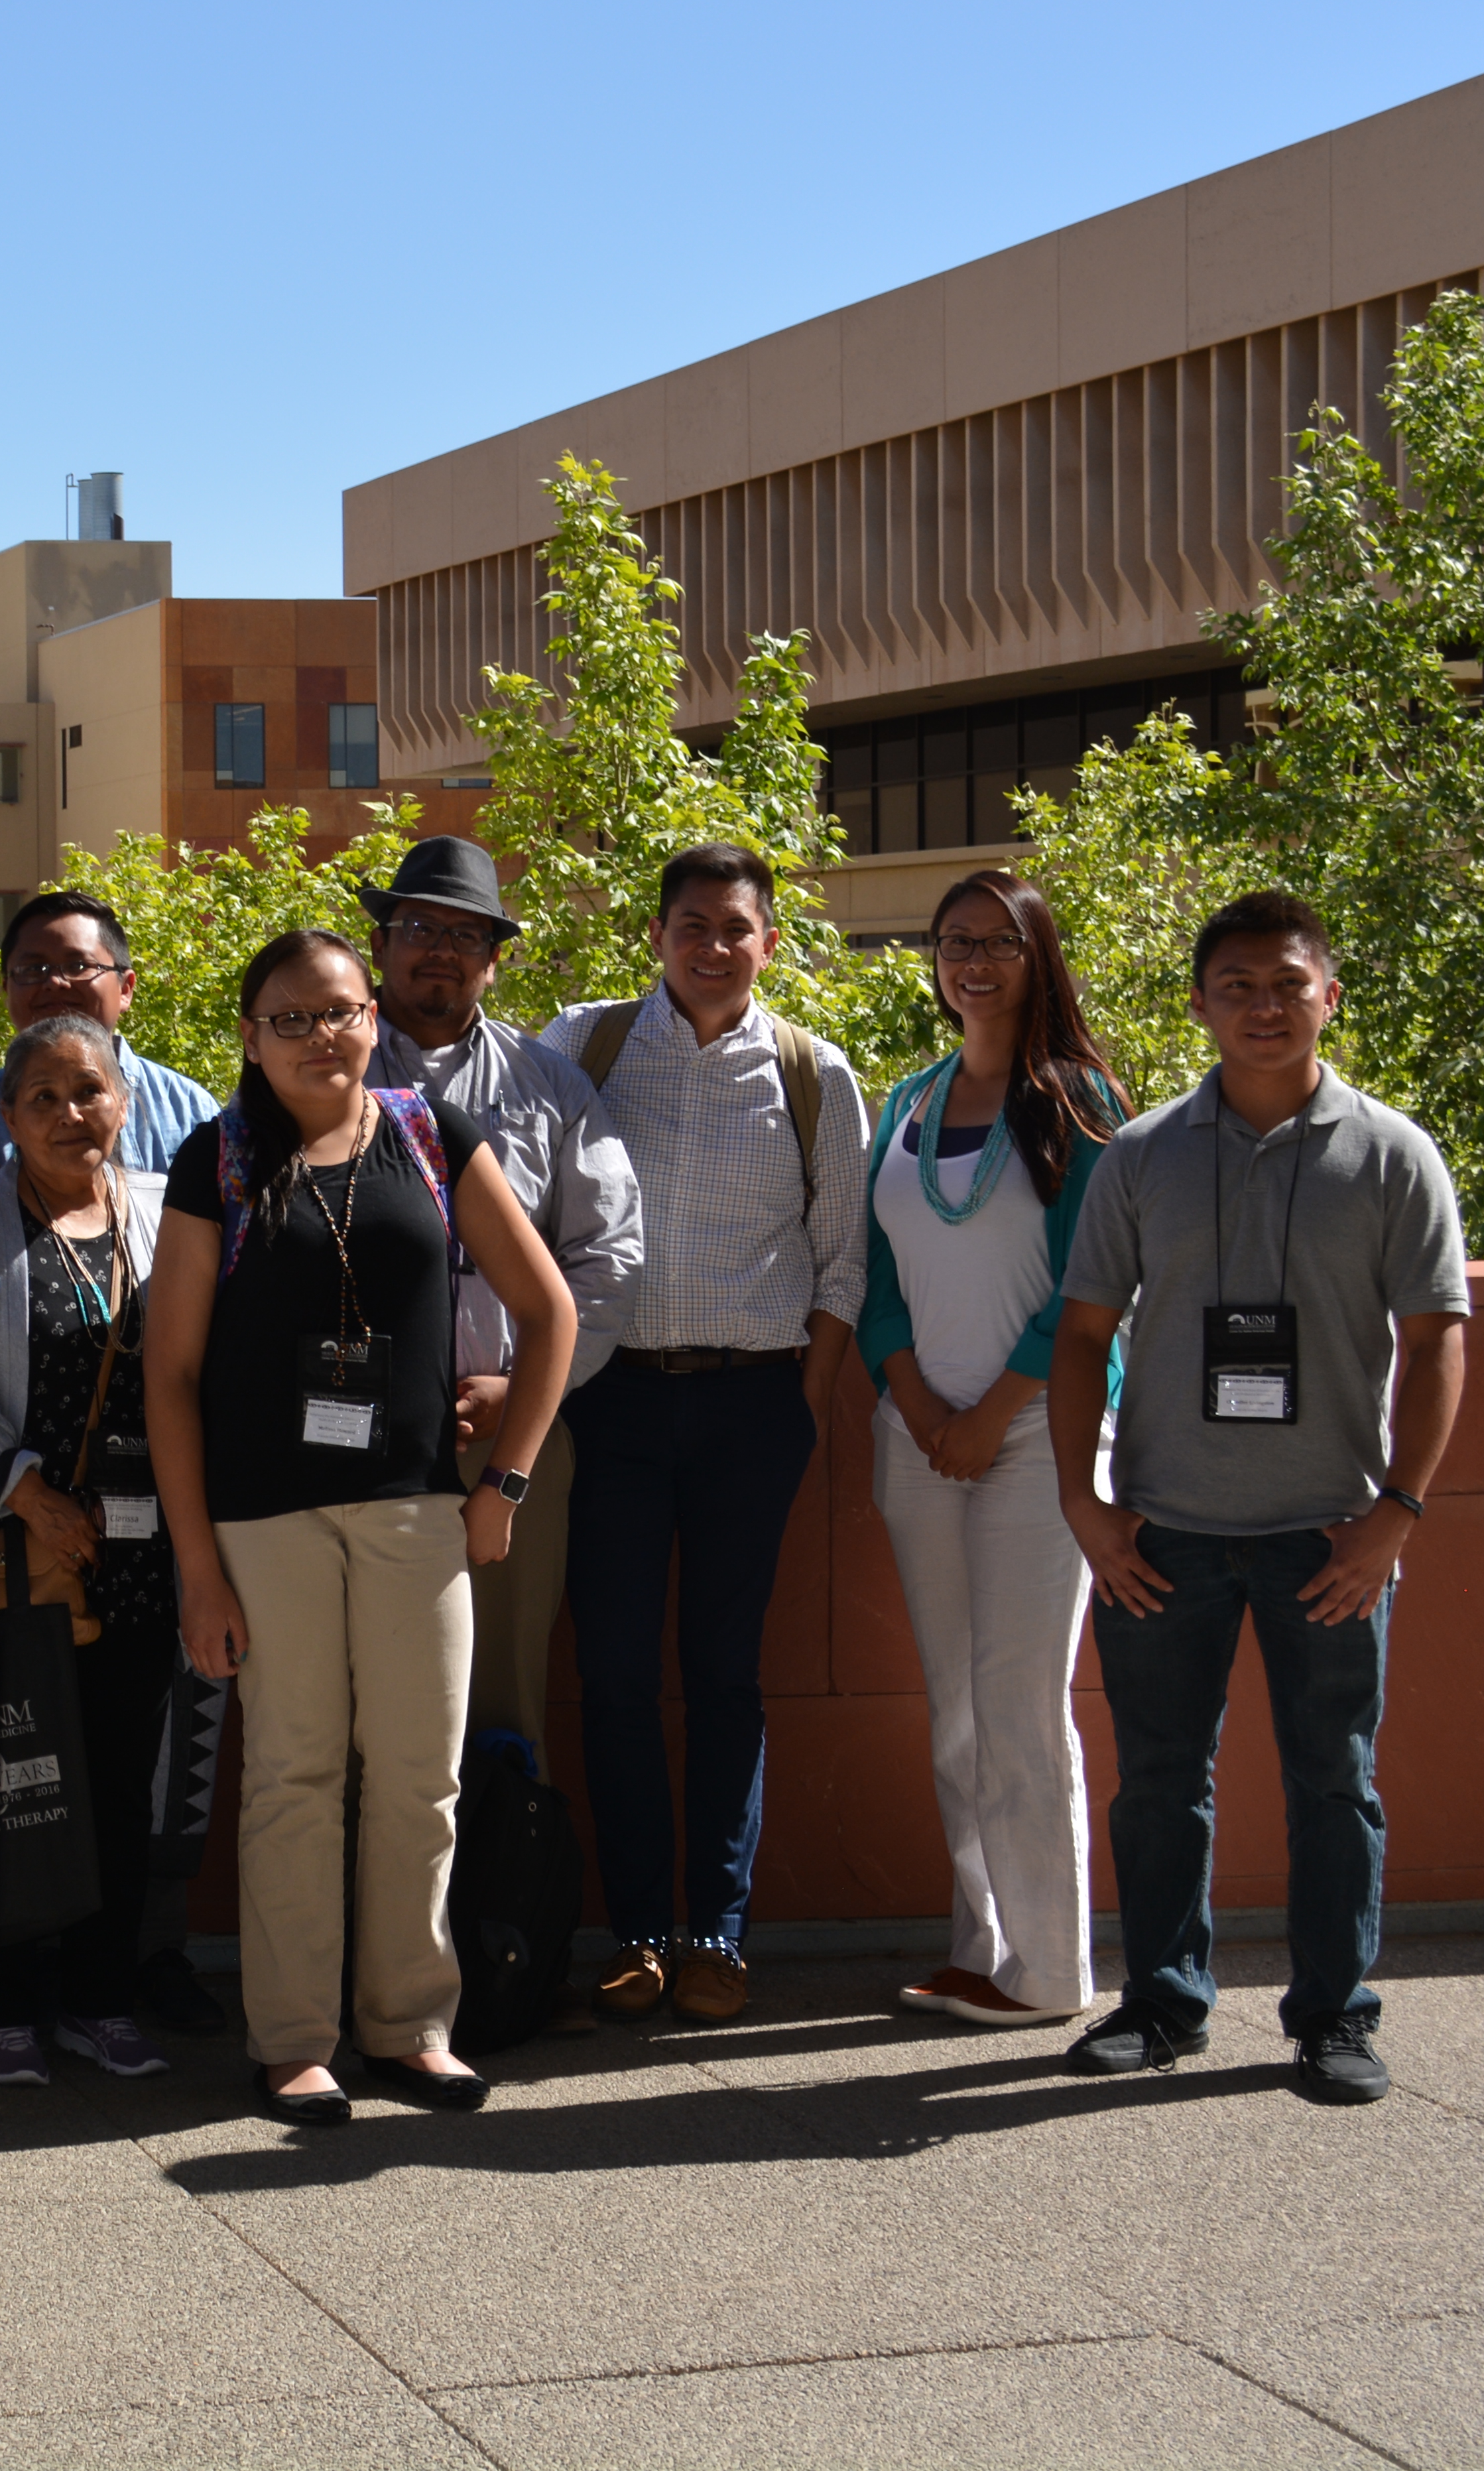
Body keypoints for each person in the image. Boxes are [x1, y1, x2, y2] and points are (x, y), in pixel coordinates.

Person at [1047, 891, 1468, 2106]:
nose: (1264, 1006)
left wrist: (1398, 1513)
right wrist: (1087, 1503)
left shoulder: (1392, 1154)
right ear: (1200, 1004)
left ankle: (1335, 2015)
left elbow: (1438, 1337)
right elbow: (1081, 1337)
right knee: (1159, 1780)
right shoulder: (1143, 1156)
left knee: (1334, 1779)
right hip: (1162, 1533)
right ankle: (1165, 2005)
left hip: (1328, 1534)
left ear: (1330, 995)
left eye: (1288, 983)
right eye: (1236, 985)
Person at [152, 929, 575, 2124]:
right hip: (264, 1519)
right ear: (249, 1034)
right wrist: (198, 1566)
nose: (320, 1036)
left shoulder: (435, 1138)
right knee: (292, 1774)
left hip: (417, 1509)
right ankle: (294, 2040)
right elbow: (172, 1378)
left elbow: (551, 1314)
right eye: (290, 1017)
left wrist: (506, 1487)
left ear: (371, 1017)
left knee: (420, 1777)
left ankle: (411, 2026)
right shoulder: (218, 1159)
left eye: (339, 1012)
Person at [538, 844, 869, 2029]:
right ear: (657, 934)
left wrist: (803, 1407)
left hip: (750, 1409)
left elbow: (843, 1265)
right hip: (611, 1404)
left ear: (769, 943)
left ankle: (716, 1936)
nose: (713, 946)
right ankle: (634, 1935)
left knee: (725, 1679)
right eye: (692, 923)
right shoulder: (584, 1046)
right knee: (616, 1676)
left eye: (737, 927)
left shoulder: (813, 1073)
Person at [857, 869, 1131, 2031]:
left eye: (1000, 942)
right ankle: (984, 1944)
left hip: (1038, 1440)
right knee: (954, 1709)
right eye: (954, 940)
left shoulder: (1079, 1101)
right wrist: (921, 1409)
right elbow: (875, 1290)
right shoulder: (908, 1100)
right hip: (919, 1437)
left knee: (1019, 1704)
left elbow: (1090, 1297)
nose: (974, 961)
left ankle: (1054, 1969)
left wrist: (984, 1419)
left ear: (1039, 957)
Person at [0, 1013, 176, 2086]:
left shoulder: (158, 1214)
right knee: (7, 1777)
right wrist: (26, 1488)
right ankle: (1, 2004)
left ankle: (100, 1998)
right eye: (45, 1097)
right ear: (7, 1116)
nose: (71, 1114)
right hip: (11, 1554)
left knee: (115, 1784)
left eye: (90, 1091)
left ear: (126, 1101)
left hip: (137, 1557)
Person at [361, 836, 644, 1755]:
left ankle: (498, 1895)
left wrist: (525, 1389)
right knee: (360, 1690)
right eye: (418, 926)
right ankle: (379, 1901)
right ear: (382, 944)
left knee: (507, 1687)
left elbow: (610, 1257)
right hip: (354, 1437)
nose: (439, 948)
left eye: (465, 933)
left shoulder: (550, 1084)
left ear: (494, 957)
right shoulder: (324, 1073)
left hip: (511, 1435)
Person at [0, 891, 220, 1182]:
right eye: (32, 969)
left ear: (126, 989)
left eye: (78, 966)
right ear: (6, 990)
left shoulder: (192, 1111)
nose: (54, 982)